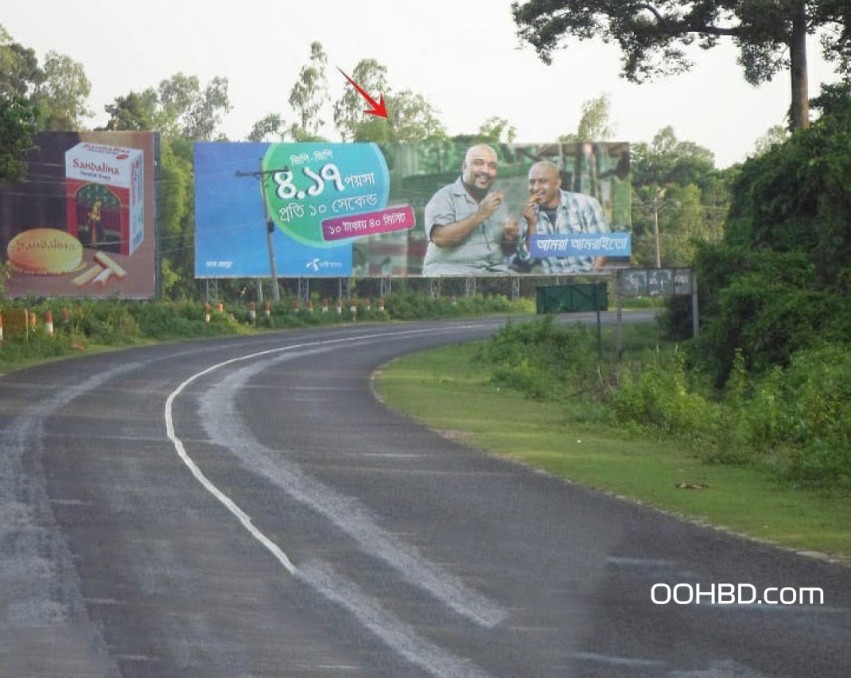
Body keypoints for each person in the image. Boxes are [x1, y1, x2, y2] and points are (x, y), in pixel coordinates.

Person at [422, 144, 520, 275]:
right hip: (451, 273)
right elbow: (440, 238)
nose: (485, 170)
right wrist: (481, 214)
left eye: (492, 166)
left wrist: (510, 238)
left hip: (494, 273)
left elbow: (507, 251)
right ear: (464, 167)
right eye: (478, 163)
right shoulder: (445, 197)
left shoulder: (498, 203)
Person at [514, 160, 610, 274]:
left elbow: (604, 246)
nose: (535, 187)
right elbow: (526, 258)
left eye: (542, 181)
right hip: (553, 282)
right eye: (532, 182)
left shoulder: (585, 204)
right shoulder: (529, 215)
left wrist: (591, 278)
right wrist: (531, 225)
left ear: (557, 183)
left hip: (587, 276)